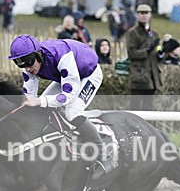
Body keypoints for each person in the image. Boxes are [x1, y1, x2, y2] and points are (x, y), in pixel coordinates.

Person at [8, 34, 117, 178]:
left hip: (89, 74)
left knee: (72, 112)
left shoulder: (62, 56)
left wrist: (39, 101)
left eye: (28, 61)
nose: (27, 68)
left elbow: (68, 96)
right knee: (40, 107)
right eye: (20, 63)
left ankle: (105, 155)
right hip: (65, 76)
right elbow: (29, 96)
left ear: (38, 54)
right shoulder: (29, 64)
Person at [125, 4, 163, 111]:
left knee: (149, 108)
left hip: (152, 76)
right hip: (139, 76)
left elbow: (157, 50)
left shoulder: (154, 34)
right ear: (137, 15)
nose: (144, 15)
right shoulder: (132, 33)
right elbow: (131, 54)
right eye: (141, 13)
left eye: (146, 13)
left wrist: (161, 54)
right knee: (135, 108)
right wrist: (147, 50)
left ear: (150, 15)